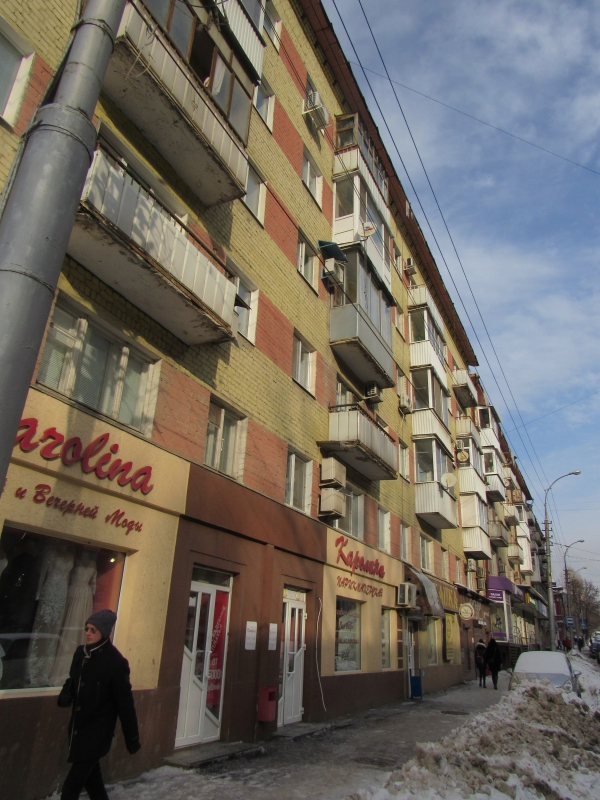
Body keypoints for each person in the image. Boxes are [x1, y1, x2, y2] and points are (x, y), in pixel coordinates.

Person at [57, 609, 140, 800]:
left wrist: (132, 738)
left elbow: (125, 704)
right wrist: (65, 694)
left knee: (70, 789)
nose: (88, 633)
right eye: (86, 628)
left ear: (104, 632)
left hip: (97, 734)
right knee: (93, 784)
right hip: (78, 728)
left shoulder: (116, 662)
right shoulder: (81, 653)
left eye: (93, 630)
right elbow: (72, 681)